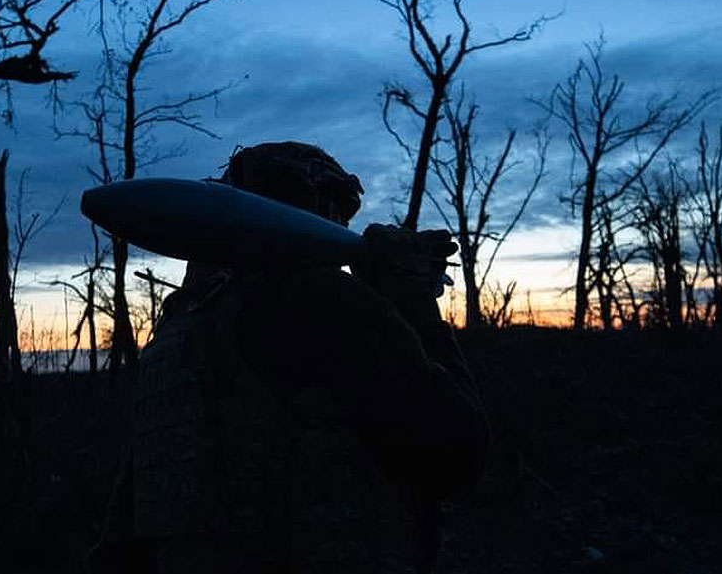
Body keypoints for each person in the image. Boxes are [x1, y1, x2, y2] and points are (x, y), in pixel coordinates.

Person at [130, 141, 488, 573]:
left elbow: (126, 523)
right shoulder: (322, 301)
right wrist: (412, 298)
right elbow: (458, 452)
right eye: (339, 213)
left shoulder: (176, 329)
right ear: (318, 206)